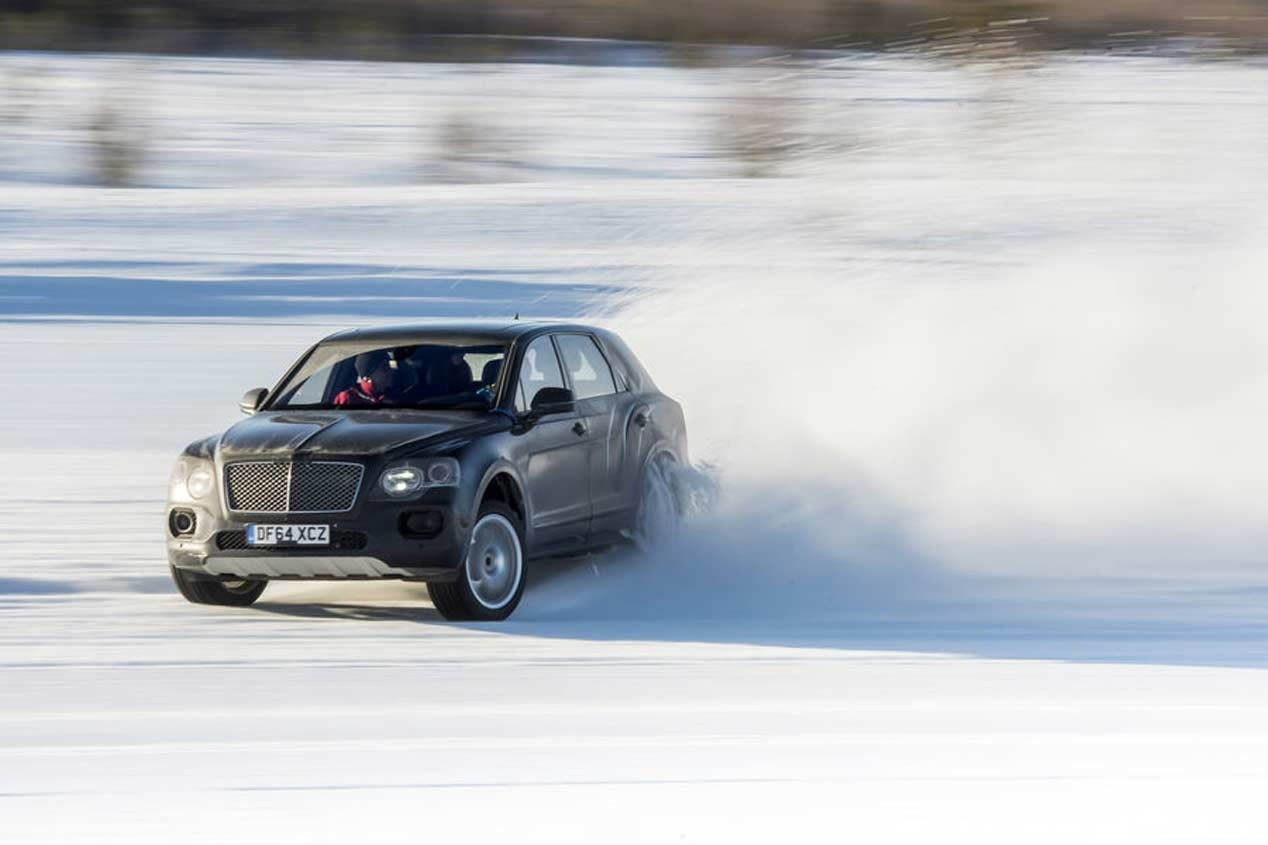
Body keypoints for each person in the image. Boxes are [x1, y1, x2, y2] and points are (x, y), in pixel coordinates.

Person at [333, 350, 397, 406]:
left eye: (391, 366)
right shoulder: (348, 399)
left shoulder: (395, 396)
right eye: (385, 368)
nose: (391, 371)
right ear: (367, 377)